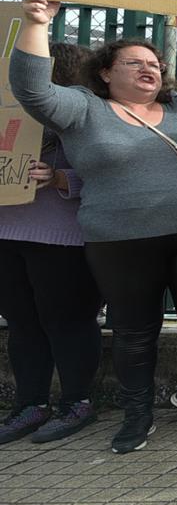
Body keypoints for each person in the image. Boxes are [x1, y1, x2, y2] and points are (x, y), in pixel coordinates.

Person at [11, 0, 177, 454]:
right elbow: (32, 90)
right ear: (105, 72)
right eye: (136, 63)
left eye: (155, 64)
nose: (151, 69)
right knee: (134, 329)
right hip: (120, 240)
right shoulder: (82, 108)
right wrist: (37, 22)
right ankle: (137, 413)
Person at [0, 43, 103, 445]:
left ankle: (77, 401)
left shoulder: (85, 114)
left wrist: (60, 178)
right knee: (22, 324)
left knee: (67, 322)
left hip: (62, 238)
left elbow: (110, 172)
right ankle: (30, 404)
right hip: (7, 231)